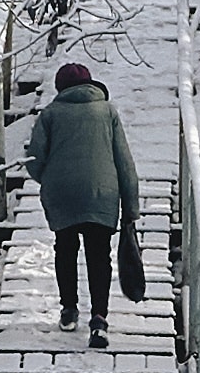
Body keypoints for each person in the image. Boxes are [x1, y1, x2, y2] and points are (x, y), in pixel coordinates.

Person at [26, 59, 139, 344]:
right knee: (99, 255)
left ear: (60, 88)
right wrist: (131, 207)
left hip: (62, 192)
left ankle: (68, 310)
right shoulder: (107, 111)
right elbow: (124, 161)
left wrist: (51, 179)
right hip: (102, 192)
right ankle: (99, 318)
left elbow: (34, 160)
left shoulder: (50, 114)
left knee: (65, 249)